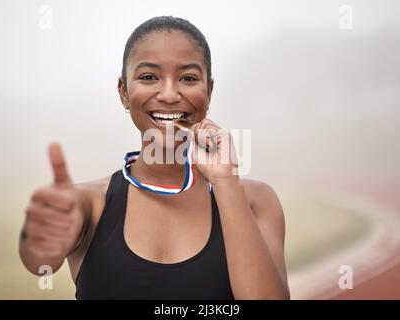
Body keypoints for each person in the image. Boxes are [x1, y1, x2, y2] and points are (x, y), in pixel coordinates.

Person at [19, 16, 290, 300]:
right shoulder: (88, 204)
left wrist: (225, 181)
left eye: (188, 78)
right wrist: (40, 238)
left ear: (208, 92)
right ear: (124, 92)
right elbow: (40, 263)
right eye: (149, 77)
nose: (170, 94)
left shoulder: (257, 201)